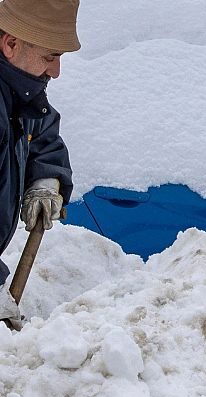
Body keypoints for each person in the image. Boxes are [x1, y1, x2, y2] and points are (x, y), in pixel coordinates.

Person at [0, 0, 79, 318]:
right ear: (10, 44)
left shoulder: (20, 93)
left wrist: (46, 178)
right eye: (51, 56)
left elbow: (42, 135)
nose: (56, 72)